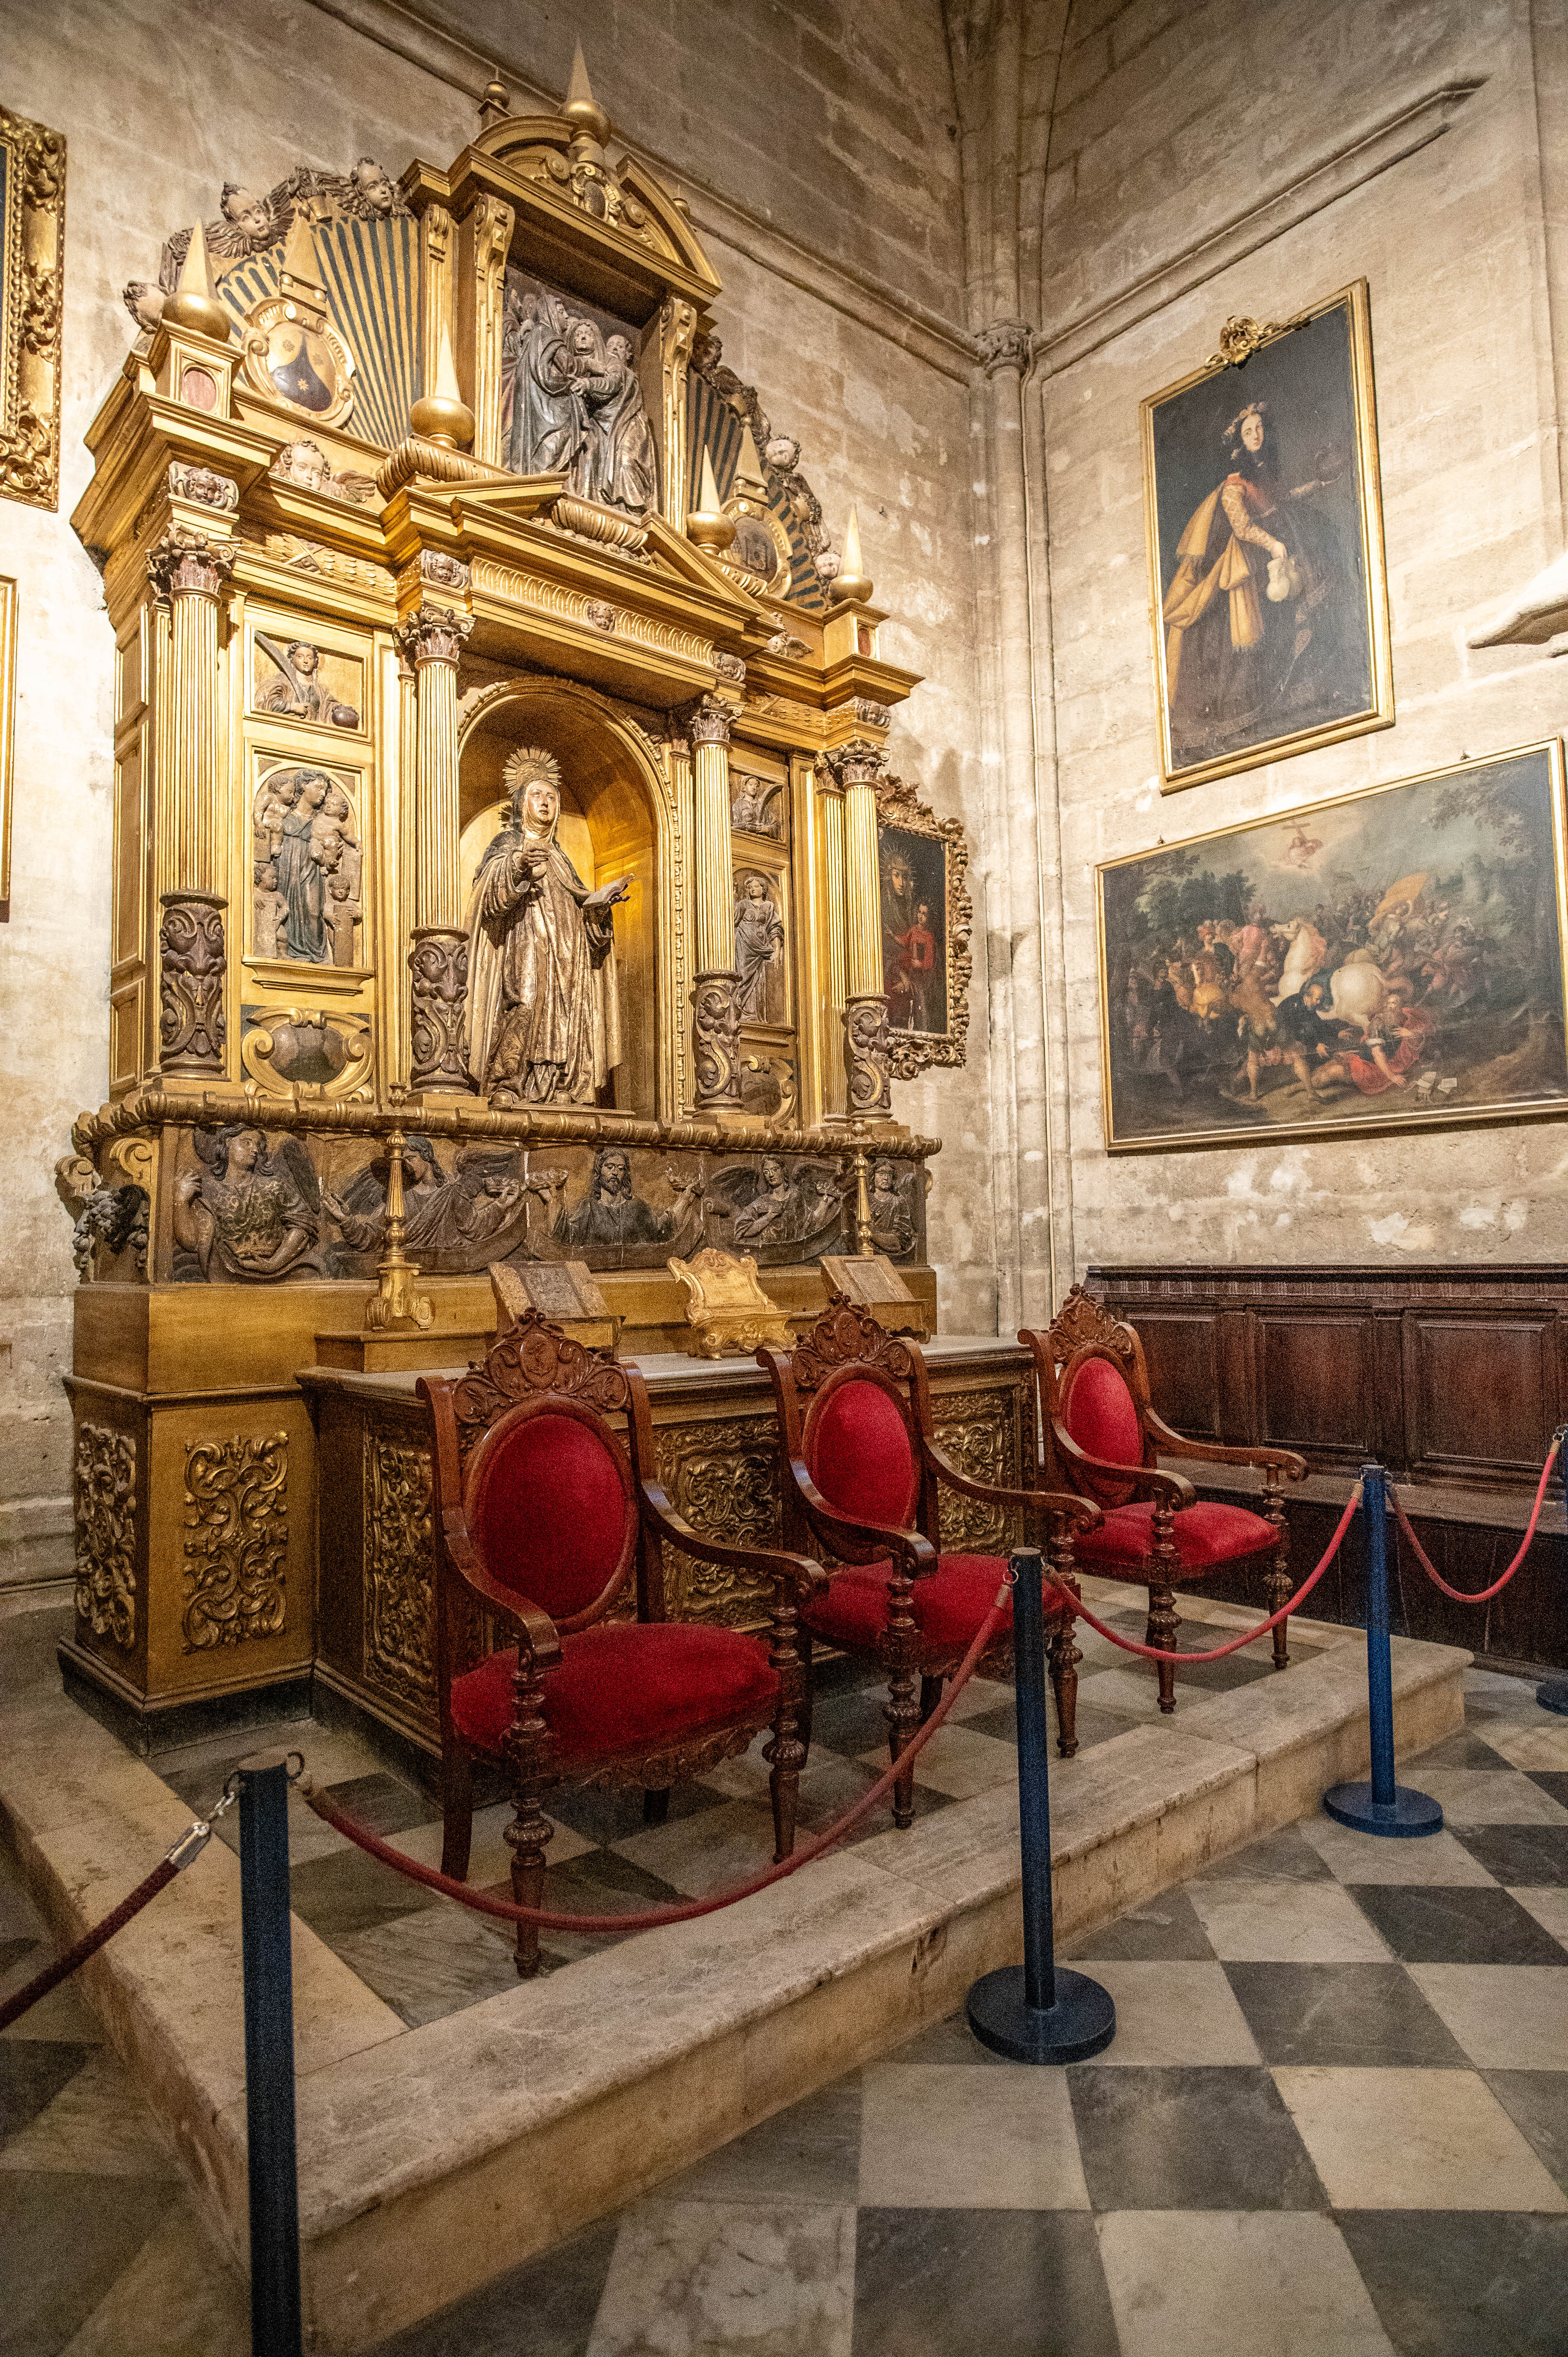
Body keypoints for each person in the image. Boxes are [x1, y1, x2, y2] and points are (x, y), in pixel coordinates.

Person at [1161, 401, 1342, 763]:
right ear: (1240, 442)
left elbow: (1283, 501)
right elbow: (1242, 528)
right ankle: (1239, 718)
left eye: (1260, 428)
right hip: (1240, 570)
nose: (1256, 435)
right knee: (1242, 645)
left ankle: (1282, 694)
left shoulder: (1263, 476)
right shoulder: (1234, 485)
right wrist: (1274, 544)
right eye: (1248, 432)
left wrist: (1318, 484)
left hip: (1265, 562)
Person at [464, 748, 628, 1103]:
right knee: (524, 1003)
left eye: (552, 797)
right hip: (525, 941)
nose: (545, 803)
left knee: (565, 1013)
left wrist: (600, 908)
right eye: (537, 795)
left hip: (567, 951)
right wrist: (518, 865)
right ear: (522, 803)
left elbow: (578, 903)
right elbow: (489, 897)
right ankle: (507, 1083)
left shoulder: (561, 857)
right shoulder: (508, 844)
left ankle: (560, 1087)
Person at [255, 636, 360, 728]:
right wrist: (292, 707)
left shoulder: (321, 690)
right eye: (300, 657)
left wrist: (342, 711)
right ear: (292, 660)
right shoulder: (282, 681)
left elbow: (330, 707)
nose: (306, 661)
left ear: (315, 662)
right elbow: (264, 701)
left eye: (310, 658)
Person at [733, 875, 785, 1021]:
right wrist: (733, 897)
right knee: (742, 978)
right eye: (749, 888)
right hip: (744, 946)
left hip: (762, 948)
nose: (752, 890)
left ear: (763, 889)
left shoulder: (769, 907)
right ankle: (740, 1011)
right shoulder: (744, 904)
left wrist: (777, 950)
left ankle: (754, 1014)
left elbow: (775, 929)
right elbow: (732, 919)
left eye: (756, 887)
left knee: (758, 980)